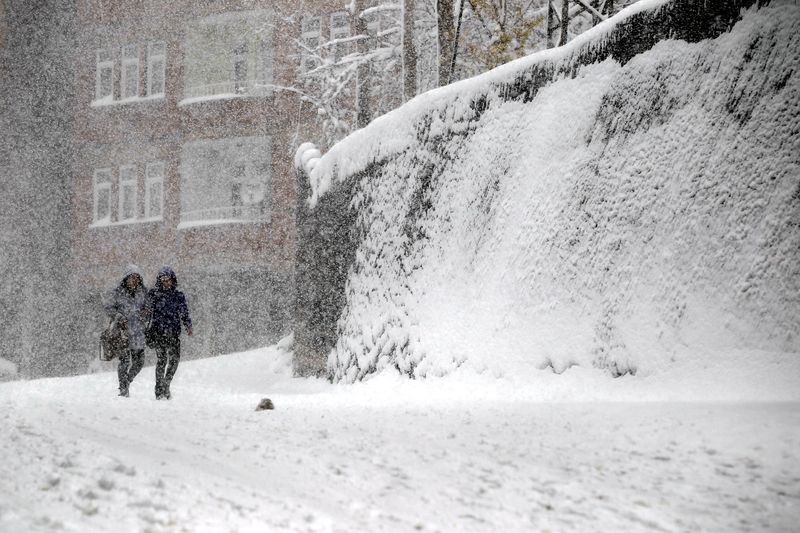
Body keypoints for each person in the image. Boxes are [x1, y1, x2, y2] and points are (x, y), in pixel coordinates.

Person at [104, 264, 149, 397]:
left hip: (139, 332)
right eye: (131, 277)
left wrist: (145, 313)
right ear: (126, 278)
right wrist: (119, 317)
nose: (134, 280)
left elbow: (149, 307)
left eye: (136, 277)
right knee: (124, 361)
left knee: (140, 361)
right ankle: (123, 389)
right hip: (123, 332)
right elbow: (109, 308)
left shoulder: (143, 292)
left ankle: (127, 381)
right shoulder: (118, 293)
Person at [147, 266, 192, 400]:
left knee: (174, 360)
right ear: (159, 281)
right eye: (163, 280)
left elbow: (184, 313)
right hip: (158, 333)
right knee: (162, 360)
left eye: (168, 280)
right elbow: (147, 311)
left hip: (173, 333)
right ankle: (159, 389)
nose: (166, 283)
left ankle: (166, 385)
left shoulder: (178, 296)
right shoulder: (154, 295)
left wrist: (188, 326)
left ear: (172, 280)